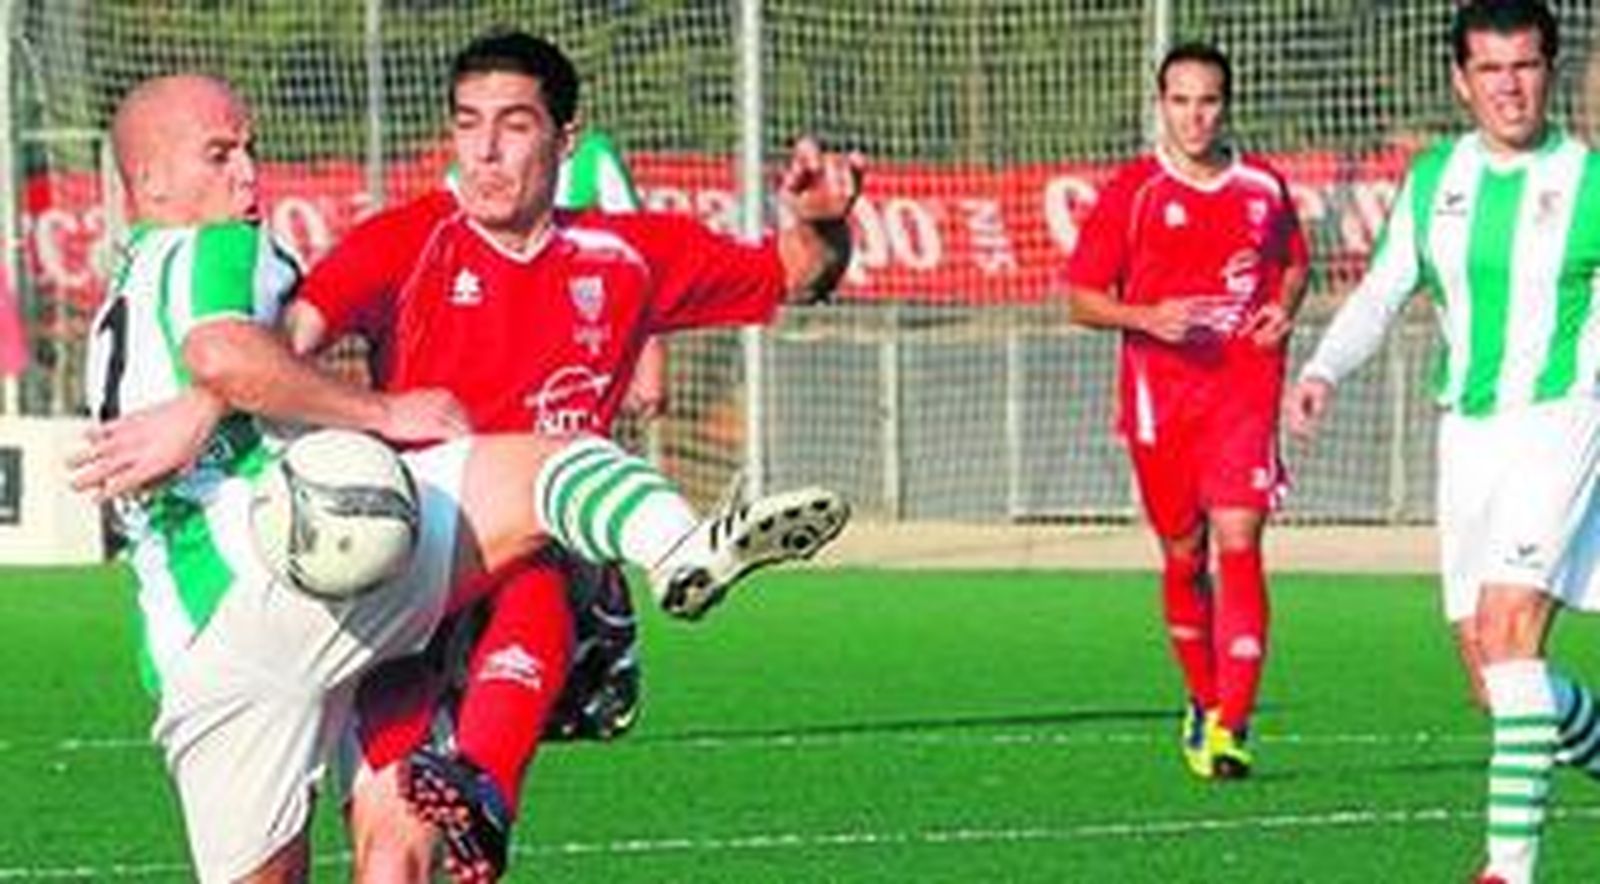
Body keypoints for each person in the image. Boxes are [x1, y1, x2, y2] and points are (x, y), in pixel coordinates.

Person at [70, 72, 853, 884]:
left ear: (564, 140)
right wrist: (382, 411)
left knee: (395, 847)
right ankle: (675, 551)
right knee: (557, 466)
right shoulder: (265, 242)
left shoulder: (626, 250)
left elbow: (794, 272)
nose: (248, 175)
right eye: (220, 154)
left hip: (197, 640)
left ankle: (488, 770)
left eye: (514, 124)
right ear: (149, 181)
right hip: (329, 564)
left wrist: (825, 225)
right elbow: (238, 350)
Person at [1287, 3, 1600, 881]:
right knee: (1496, 678)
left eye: (1527, 66)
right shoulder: (1435, 180)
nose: (1511, 85)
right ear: (1461, 80)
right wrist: (1323, 370)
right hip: (1467, 436)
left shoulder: (1589, 181)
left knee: (1508, 633)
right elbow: (1383, 292)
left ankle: (1508, 869)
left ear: (1551, 71)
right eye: (1492, 70)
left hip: (1563, 420)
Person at [1065, 41, 1309, 781]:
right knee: (1183, 552)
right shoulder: (1134, 190)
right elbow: (1080, 299)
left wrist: (1283, 308)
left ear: (1225, 105)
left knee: (1240, 538)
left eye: (1208, 100)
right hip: (1159, 399)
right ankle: (1202, 700)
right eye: (1181, 101)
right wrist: (1147, 317)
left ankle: (1232, 724)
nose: (1195, 115)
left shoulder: (1263, 186)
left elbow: (1295, 264)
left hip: (1243, 386)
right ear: (1161, 105)